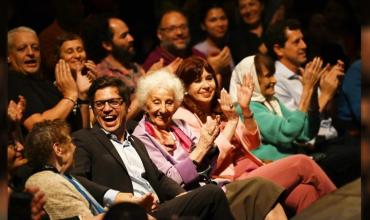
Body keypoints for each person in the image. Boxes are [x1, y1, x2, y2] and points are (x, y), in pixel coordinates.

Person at [172, 56, 336, 215]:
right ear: (184, 88)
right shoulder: (184, 117)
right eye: (197, 81)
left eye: (209, 78)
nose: (206, 85)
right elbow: (208, 164)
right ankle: (345, 206)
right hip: (231, 181)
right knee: (302, 162)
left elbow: (252, 144)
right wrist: (231, 123)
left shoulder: (221, 109)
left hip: (253, 169)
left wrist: (245, 110)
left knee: (306, 192)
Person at [71, 76, 235, 220]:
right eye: (99, 104)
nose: (107, 109)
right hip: (130, 214)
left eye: (113, 102)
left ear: (127, 106)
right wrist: (117, 197)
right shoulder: (85, 139)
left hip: (159, 207)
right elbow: (76, 179)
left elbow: (159, 178)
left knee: (213, 193)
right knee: (212, 195)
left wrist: (183, 195)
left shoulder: (135, 141)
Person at [133, 70, 287, 220]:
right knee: (263, 188)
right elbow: (169, 179)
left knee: (268, 196)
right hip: (191, 198)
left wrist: (209, 145)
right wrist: (201, 149)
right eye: (156, 102)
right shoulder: (142, 137)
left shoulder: (180, 124)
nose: (163, 109)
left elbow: (208, 165)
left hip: (212, 185)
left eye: (169, 102)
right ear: (145, 104)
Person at [261, 19, 360, 186]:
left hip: (335, 137)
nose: (304, 45)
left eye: (303, 39)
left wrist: (332, 88)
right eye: (296, 41)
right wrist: (325, 94)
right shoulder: (276, 81)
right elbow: (299, 132)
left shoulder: (306, 72)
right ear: (278, 49)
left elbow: (328, 117)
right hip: (315, 149)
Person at [7, 26, 89, 133]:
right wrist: (70, 96)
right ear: (8, 56)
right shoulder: (11, 81)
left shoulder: (47, 85)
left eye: (35, 48)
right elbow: (38, 127)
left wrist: (82, 97)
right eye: (22, 49)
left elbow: (82, 131)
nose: (31, 53)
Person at [25, 120, 105, 220]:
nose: (74, 146)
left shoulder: (61, 177)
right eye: (70, 141)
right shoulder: (47, 182)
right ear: (58, 149)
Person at [81, 14, 145, 121]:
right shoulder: (102, 74)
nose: (131, 39)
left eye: (129, 33)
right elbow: (118, 118)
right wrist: (148, 85)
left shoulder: (136, 67)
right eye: (123, 36)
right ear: (107, 45)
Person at [54, 32, 98, 128]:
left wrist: (98, 87)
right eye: (70, 52)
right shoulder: (55, 89)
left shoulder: (91, 83)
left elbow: (91, 123)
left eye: (80, 50)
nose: (77, 56)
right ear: (59, 59)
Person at [193, 2, 234, 90]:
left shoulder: (233, 46)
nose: (220, 24)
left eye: (223, 18)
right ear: (203, 25)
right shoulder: (197, 51)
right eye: (213, 20)